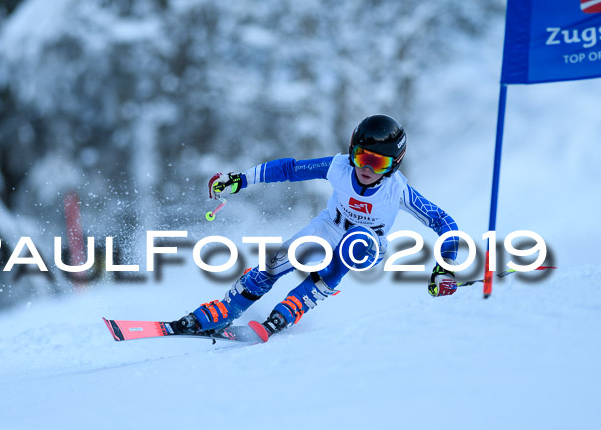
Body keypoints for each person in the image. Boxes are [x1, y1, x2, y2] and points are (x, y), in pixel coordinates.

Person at [174, 114, 459, 340]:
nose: (367, 168)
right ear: (352, 151)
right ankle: (225, 311)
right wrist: (241, 179)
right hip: (329, 227)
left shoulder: (397, 190)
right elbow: (291, 169)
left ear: (394, 165)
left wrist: (444, 267)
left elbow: (443, 221)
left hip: (367, 244)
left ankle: (296, 304)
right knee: (275, 263)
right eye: (361, 156)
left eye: (378, 163)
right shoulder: (339, 167)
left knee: (355, 242)